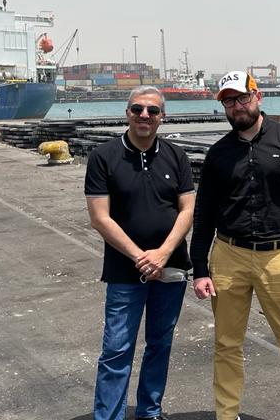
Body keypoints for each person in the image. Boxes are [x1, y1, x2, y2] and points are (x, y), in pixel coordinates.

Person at [190, 71, 280, 420]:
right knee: (226, 344)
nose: (237, 106)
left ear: (258, 96)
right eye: (229, 101)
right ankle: (226, 414)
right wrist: (200, 269)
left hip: (278, 257)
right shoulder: (218, 154)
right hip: (228, 255)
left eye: (242, 98)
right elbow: (203, 213)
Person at [84, 85, 195, 420]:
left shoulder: (176, 156)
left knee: (160, 344)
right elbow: (99, 218)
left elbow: (188, 209)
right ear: (127, 113)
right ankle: (109, 416)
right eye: (137, 109)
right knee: (116, 349)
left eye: (152, 110)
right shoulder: (103, 156)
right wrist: (141, 257)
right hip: (124, 271)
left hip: (171, 268)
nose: (144, 115)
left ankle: (150, 410)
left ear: (162, 117)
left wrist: (163, 253)